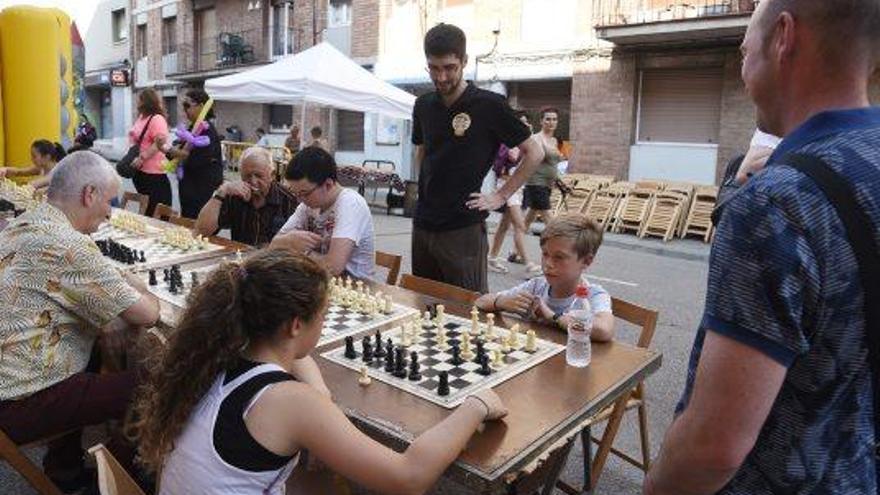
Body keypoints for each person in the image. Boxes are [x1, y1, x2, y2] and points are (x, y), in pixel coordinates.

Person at [646, 1, 880, 494]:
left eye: (745, 47)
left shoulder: (777, 201)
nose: (744, 66)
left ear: (783, 38)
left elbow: (712, 449)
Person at [127, 249, 506, 494]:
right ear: (295, 325)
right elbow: (409, 477)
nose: (324, 324)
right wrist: (474, 405)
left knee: (321, 478)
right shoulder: (288, 403)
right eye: (322, 315)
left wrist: (317, 392)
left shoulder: (213, 357)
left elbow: (299, 369)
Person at [0, 151, 160, 493]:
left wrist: (103, 320)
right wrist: (138, 288)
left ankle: (65, 470)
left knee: (91, 357)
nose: (109, 211)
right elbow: (149, 314)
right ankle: (117, 477)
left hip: (10, 381)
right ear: (89, 194)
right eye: (110, 200)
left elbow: (61, 288)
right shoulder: (70, 245)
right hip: (17, 401)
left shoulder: (25, 222)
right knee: (158, 380)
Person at [411, 23, 543, 292]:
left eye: (449, 67)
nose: (442, 77)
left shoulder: (489, 105)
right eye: (434, 68)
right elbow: (422, 151)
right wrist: (423, 191)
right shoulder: (423, 104)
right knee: (425, 308)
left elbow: (535, 152)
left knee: (467, 312)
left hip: (462, 228)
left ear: (464, 61)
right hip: (423, 225)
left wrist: (501, 196)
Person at [475, 213, 614, 342]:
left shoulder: (592, 294)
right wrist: (501, 302)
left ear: (586, 261)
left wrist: (553, 317)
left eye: (559, 257)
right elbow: (480, 301)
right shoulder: (536, 286)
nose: (548, 264)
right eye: (545, 254)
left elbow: (604, 330)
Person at [271, 147, 375, 279]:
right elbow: (274, 245)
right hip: (319, 282)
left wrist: (297, 250)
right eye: (295, 193)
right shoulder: (308, 205)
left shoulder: (351, 203)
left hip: (353, 290)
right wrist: (288, 241)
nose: (299, 199)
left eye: (304, 193)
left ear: (328, 184)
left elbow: (333, 267)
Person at [195, 146, 298, 247]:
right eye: (247, 176)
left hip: (274, 260)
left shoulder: (288, 200)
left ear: (272, 175)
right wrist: (221, 192)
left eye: (258, 176)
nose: (253, 181)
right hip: (240, 259)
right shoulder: (234, 195)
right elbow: (202, 232)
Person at [487, 112, 541, 275]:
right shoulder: (510, 142)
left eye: (526, 122)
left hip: (517, 187)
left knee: (504, 225)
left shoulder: (524, 141)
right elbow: (514, 156)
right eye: (520, 123)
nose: (523, 125)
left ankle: (492, 258)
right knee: (520, 225)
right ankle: (529, 264)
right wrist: (526, 139)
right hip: (507, 185)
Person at [166, 89, 224, 219]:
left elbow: (196, 160)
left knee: (197, 228)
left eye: (187, 105)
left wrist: (174, 152)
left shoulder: (207, 129)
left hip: (201, 191)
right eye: (183, 106)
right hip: (190, 190)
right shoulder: (193, 127)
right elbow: (176, 152)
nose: (184, 110)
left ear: (201, 106)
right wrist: (169, 150)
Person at [129, 88, 171, 217]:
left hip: (153, 172)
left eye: (139, 99)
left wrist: (142, 157)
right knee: (151, 209)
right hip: (142, 171)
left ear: (145, 101)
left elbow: (159, 142)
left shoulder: (156, 119)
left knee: (156, 209)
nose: (137, 103)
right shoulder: (142, 118)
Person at [522, 107, 563, 234]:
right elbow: (531, 158)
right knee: (548, 217)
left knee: (529, 218)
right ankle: (561, 242)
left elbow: (553, 164)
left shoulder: (555, 141)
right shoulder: (536, 138)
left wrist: (559, 180)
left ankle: (516, 250)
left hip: (548, 184)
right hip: (536, 183)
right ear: (541, 121)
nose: (551, 122)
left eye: (554, 119)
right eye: (548, 119)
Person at [0, 139, 66, 190]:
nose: (31, 159)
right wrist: (5, 169)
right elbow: (19, 172)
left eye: (34, 156)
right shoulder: (41, 168)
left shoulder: (56, 172)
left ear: (46, 157)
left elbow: (33, 185)